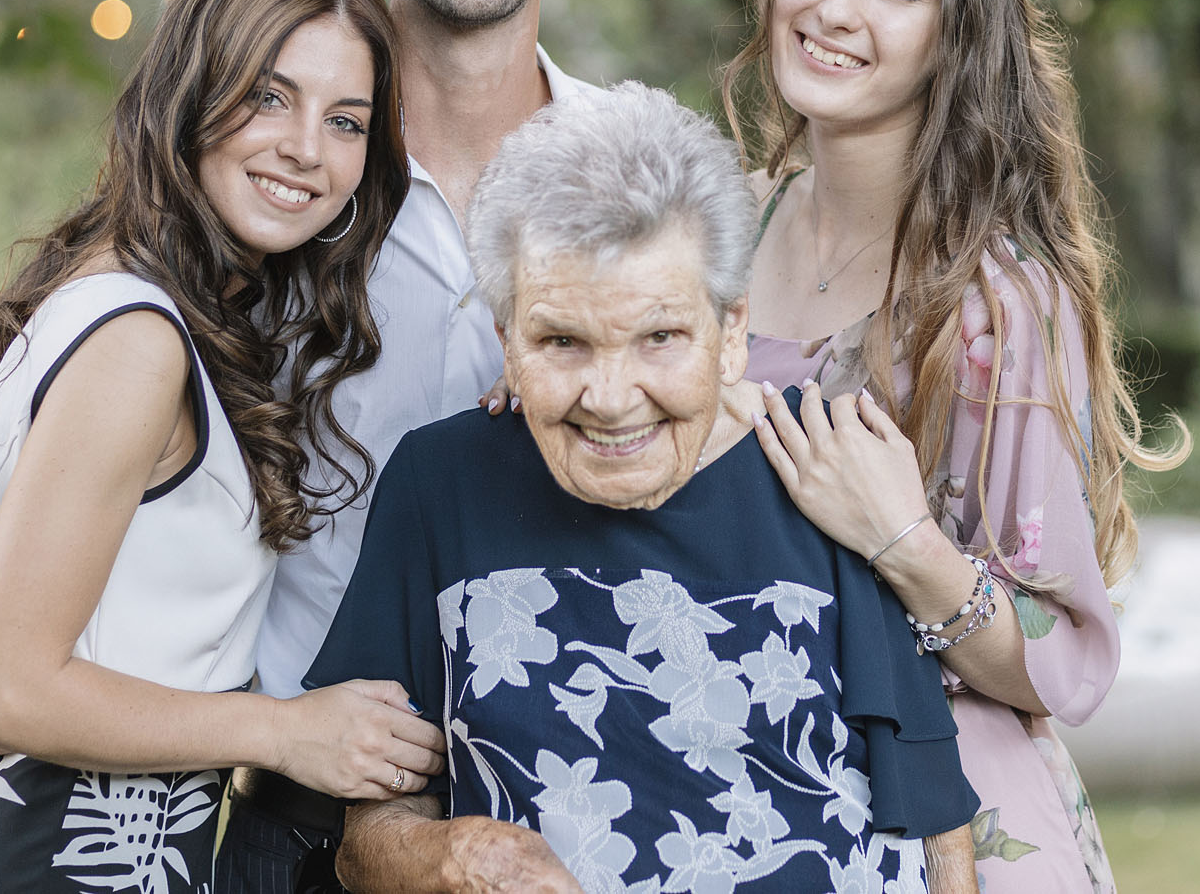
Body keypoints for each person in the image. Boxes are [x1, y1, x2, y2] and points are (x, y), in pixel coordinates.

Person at [0, 0, 600, 891]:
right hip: (284, 810)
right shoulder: (275, 228)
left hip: (567, 780)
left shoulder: (630, 182)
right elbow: (95, 507)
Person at [315, 83, 980, 894]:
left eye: (660, 336)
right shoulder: (438, 483)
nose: (611, 395)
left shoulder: (828, 463)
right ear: (507, 340)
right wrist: (454, 855)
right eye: (562, 339)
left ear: (731, 331)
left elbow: (935, 823)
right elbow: (366, 833)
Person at [0, 0, 446, 894]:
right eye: (269, 96)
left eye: (345, 120)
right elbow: (5, 687)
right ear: (190, 98)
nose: (306, 146)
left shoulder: (150, 305)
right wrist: (287, 731)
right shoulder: (138, 340)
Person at [725, 0, 1192, 892]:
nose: (835, 9)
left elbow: (1063, 658)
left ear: (954, 33)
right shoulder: (715, 238)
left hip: (939, 825)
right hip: (735, 786)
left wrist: (900, 537)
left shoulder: (993, 303)